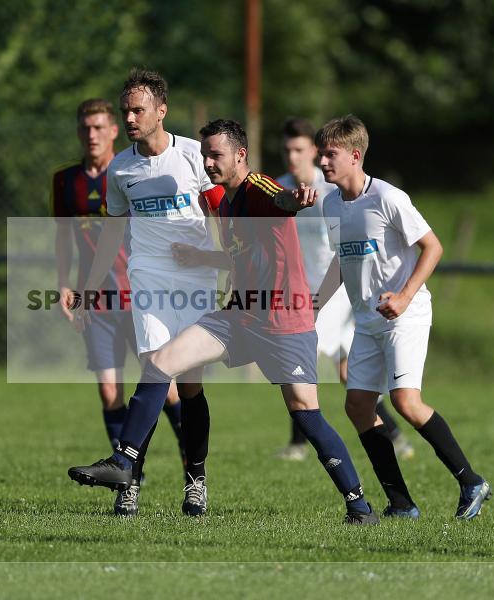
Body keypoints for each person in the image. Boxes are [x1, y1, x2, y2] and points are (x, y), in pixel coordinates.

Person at [70, 118, 380, 525]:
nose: (208, 162)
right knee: (161, 363)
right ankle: (124, 462)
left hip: (284, 323)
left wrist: (298, 198)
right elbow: (241, 256)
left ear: (240, 155)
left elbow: (282, 199)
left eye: (215, 155)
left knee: (305, 413)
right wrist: (204, 258)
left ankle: (359, 505)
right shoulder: (226, 204)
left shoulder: (257, 188)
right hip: (239, 315)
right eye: (203, 155)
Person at [315, 115, 491, 520]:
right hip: (367, 320)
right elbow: (340, 263)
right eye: (322, 153)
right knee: (358, 406)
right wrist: (313, 305)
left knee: (406, 403)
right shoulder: (330, 203)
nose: (323, 161)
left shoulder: (388, 197)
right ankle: (401, 502)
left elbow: (433, 247)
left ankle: (471, 481)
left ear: (355, 156)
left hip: (404, 316)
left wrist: (405, 296)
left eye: (331, 154)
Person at [66, 70, 225, 517]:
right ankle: (128, 477)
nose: (131, 118)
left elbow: (222, 216)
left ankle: (195, 479)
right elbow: (113, 235)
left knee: (188, 387)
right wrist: (88, 287)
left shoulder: (195, 156)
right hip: (149, 280)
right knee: (155, 369)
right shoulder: (120, 168)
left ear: (161, 110)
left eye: (138, 109)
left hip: (195, 284)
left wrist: (224, 263)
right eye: (126, 111)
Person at [51, 99, 186, 516]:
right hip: (98, 302)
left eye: (98, 127)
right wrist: (64, 284)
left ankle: (192, 470)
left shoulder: (128, 172)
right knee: (109, 390)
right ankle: (128, 475)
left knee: (167, 390)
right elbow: (63, 237)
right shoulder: (66, 182)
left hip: (141, 297)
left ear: (112, 131)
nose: (91, 134)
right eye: (84, 127)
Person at [275, 117, 413, 461]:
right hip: (302, 291)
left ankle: (298, 443)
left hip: (333, 293)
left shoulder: (329, 192)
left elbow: (344, 251)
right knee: (345, 372)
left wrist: (320, 297)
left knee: (299, 356)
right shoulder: (280, 190)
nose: (293, 157)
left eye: (300, 150)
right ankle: (395, 434)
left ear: (313, 152)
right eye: (287, 150)